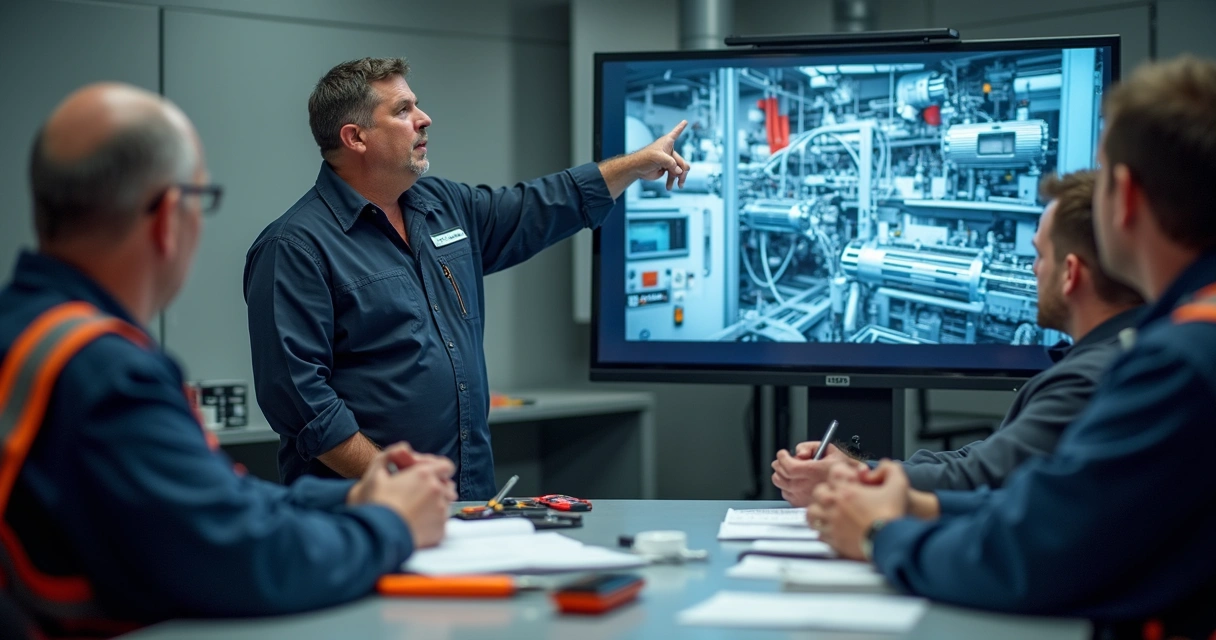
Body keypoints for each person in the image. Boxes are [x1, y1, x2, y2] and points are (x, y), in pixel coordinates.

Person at [0, 83, 455, 632]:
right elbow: (243, 559)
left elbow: (215, 500)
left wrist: (352, 496)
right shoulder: (106, 375)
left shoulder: (26, 331)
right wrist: (391, 525)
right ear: (170, 217)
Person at [807, 55, 1216, 638]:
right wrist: (922, 506)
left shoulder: (1181, 360)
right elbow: (1059, 506)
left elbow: (1035, 554)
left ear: (1123, 197)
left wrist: (879, 534)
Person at [244, 57, 690, 499]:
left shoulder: (441, 205)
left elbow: (536, 206)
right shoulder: (295, 247)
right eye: (402, 110)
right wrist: (394, 485)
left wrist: (633, 165)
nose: (424, 119)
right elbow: (304, 405)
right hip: (362, 518)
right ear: (355, 137)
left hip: (468, 501)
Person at [772, 170, 1143, 501]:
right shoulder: (1104, 361)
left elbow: (981, 478)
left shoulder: (1090, 381)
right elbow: (985, 461)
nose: (1032, 271)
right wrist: (856, 472)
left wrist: (868, 520)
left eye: (1039, 257)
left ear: (1070, 273)